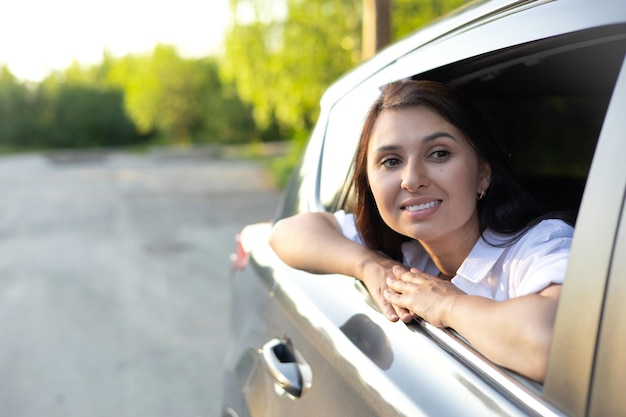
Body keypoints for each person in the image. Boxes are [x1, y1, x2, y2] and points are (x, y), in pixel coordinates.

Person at [269, 80, 573, 382]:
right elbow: (286, 233)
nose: (411, 179)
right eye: (391, 161)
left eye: (439, 153)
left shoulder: (541, 246)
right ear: (370, 184)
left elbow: (552, 344)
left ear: (483, 174)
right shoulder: (404, 250)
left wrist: (446, 303)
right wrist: (370, 266)